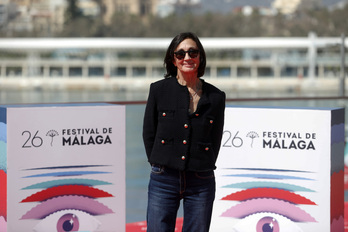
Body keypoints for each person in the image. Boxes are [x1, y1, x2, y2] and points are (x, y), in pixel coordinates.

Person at [142, 32, 226, 232]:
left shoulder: (216, 97)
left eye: (192, 52)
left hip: (201, 181)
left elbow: (216, 138)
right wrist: (158, 164)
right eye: (180, 54)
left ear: (200, 57)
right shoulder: (158, 90)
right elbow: (149, 133)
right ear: (173, 60)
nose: (187, 58)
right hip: (163, 178)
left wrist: (203, 162)